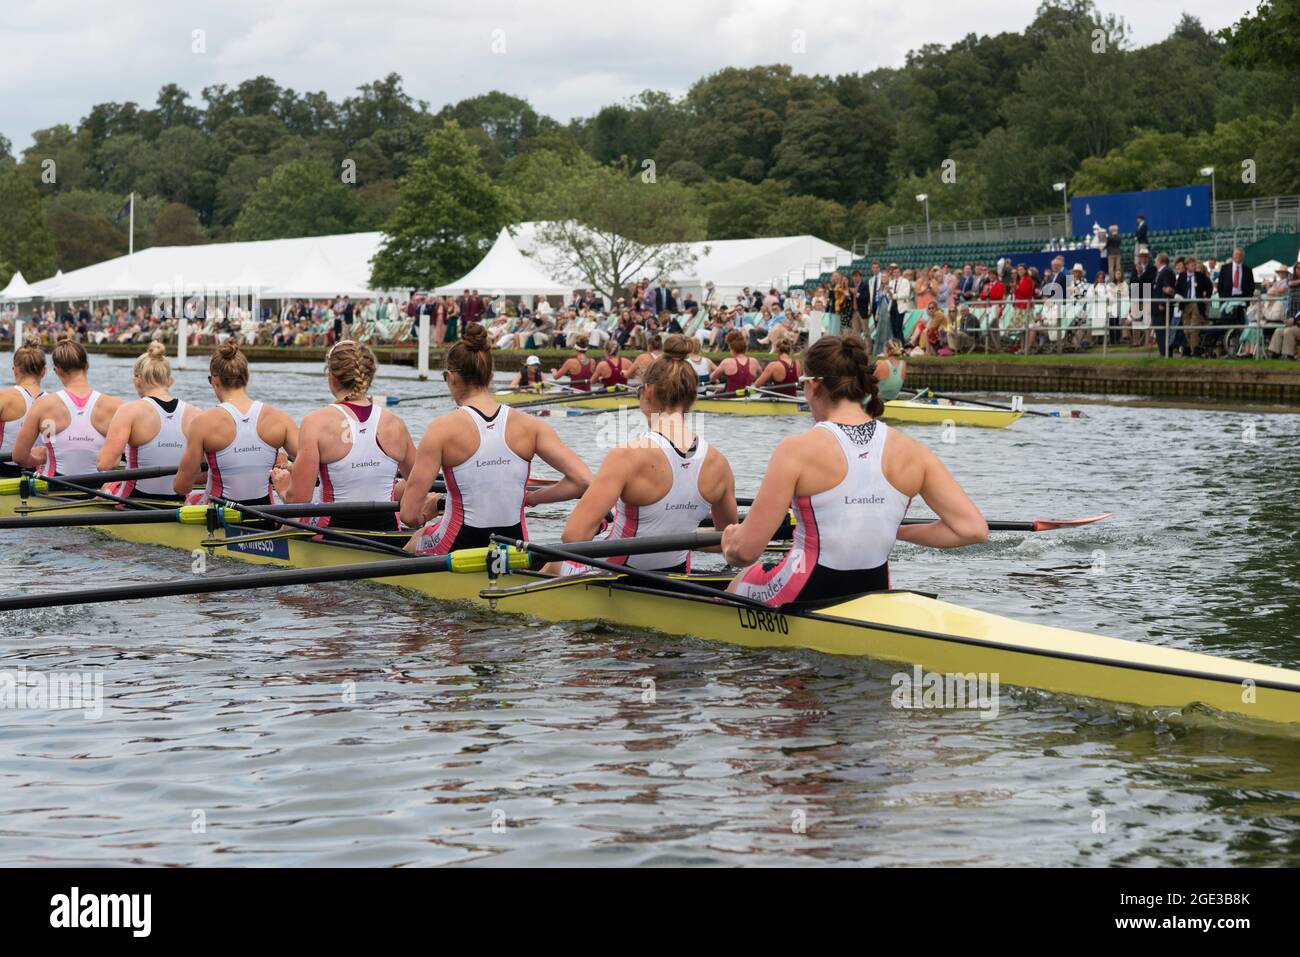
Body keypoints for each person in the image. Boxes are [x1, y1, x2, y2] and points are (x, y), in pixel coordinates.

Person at [721, 334, 987, 606]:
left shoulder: (795, 450)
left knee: (744, 576)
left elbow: (747, 551)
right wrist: (895, 530)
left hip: (803, 590)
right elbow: (973, 530)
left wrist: (730, 544)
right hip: (875, 591)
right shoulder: (913, 450)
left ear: (813, 385)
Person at [546, 335, 739, 576]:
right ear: (692, 397)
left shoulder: (627, 456)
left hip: (615, 575)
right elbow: (729, 540)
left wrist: (600, 524)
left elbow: (573, 538)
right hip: (676, 576)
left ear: (647, 391)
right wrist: (681, 532)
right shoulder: (719, 463)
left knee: (551, 565)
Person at [401, 323, 592, 553]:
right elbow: (584, 481)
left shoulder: (440, 430)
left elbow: (408, 515)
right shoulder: (532, 426)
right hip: (515, 546)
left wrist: (426, 515)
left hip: (456, 545)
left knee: (415, 539)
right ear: (490, 376)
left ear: (451, 378)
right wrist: (533, 499)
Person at [266, 341, 413, 532]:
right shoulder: (396, 423)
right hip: (389, 529)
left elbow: (300, 499)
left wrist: (283, 487)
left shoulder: (315, 422)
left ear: (332, 378)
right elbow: (419, 482)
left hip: (332, 532)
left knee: (290, 521)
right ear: (369, 377)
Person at [173, 341, 298, 506]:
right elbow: (311, 466)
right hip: (266, 517)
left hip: (218, 519)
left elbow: (181, 487)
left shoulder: (202, 423)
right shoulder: (281, 419)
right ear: (247, 377)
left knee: (191, 499)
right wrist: (285, 467)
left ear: (215, 380)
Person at [96, 342, 198, 502]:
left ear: (136, 380)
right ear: (170, 381)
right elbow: (204, 470)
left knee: (107, 485)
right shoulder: (196, 414)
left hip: (134, 500)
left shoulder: (129, 410)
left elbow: (105, 464)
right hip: (178, 501)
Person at [12, 336, 122, 478]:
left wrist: (38, 458)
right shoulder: (116, 405)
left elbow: (19, 457)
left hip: (55, 488)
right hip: (99, 491)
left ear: (57, 370)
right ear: (87, 365)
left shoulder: (43, 405)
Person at [0, 337, 46, 478]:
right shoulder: (56, 402)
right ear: (43, 371)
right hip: (40, 474)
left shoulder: (4, 398)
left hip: (5, 470)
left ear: (15, 370)